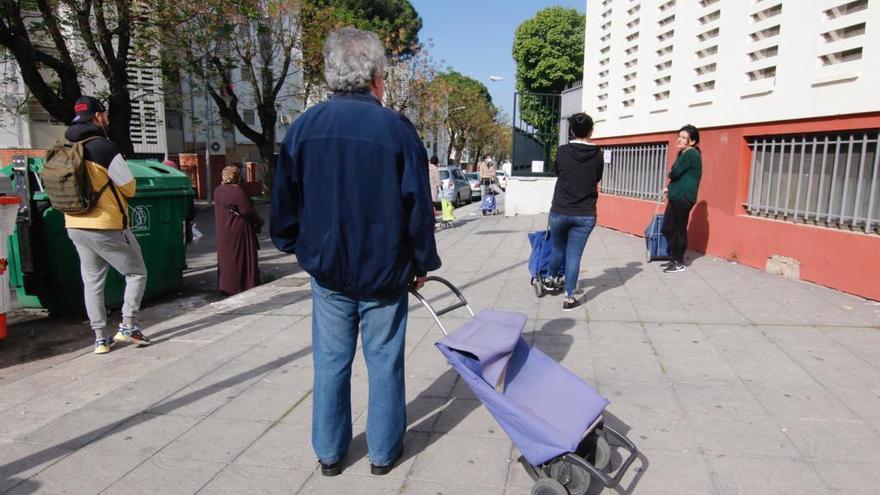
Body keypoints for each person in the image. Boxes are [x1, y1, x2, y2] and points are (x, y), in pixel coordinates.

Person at [271, 27, 441, 478]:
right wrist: (422, 261)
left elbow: (284, 197)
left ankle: (329, 453)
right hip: (385, 271)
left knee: (331, 361)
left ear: (331, 73)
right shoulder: (396, 128)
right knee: (384, 361)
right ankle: (383, 454)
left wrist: (290, 241)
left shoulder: (304, 127)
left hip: (328, 270)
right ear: (375, 76)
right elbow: (417, 205)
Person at [63, 95, 151, 354]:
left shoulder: (67, 148)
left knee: (92, 282)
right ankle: (128, 327)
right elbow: (129, 187)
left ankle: (100, 339)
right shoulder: (104, 147)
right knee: (136, 273)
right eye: (106, 116)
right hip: (107, 225)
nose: (108, 120)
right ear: (97, 117)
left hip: (75, 224)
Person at [544, 113, 604, 312]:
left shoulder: (562, 151)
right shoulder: (598, 154)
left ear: (571, 130)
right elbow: (597, 178)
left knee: (558, 248)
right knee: (574, 255)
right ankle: (569, 298)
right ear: (591, 131)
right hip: (585, 213)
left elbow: (558, 172)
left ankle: (550, 279)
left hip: (560, 209)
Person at [214, 165, 263, 294]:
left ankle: (226, 286)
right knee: (241, 258)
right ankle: (243, 284)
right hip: (239, 230)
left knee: (227, 259)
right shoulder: (237, 191)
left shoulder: (218, 190)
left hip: (223, 230)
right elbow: (247, 211)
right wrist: (259, 222)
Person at [661, 125, 703, 273]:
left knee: (678, 229)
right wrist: (669, 187)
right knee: (667, 228)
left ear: (692, 141)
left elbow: (674, 173)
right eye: (680, 136)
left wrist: (671, 174)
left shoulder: (690, 154)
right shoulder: (684, 153)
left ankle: (678, 261)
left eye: (684, 137)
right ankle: (675, 258)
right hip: (677, 196)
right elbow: (678, 176)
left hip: (683, 198)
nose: (680, 139)